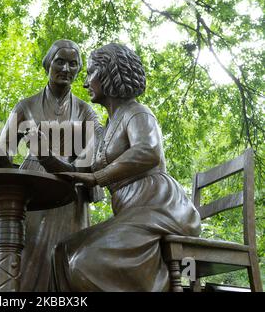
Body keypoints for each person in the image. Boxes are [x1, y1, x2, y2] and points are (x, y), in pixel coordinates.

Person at [51, 43, 201, 291]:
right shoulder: (108, 126)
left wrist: (98, 177)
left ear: (109, 74)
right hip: (132, 211)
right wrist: (47, 157)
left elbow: (148, 151)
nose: (86, 82)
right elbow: (85, 168)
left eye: (90, 73)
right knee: (62, 252)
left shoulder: (137, 112)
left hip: (159, 207)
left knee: (85, 261)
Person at [0, 39, 103, 291]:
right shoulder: (25, 106)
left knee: (64, 259)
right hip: (31, 186)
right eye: (60, 61)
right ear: (48, 64)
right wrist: (0, 157)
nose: (66, 68)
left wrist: (55, 159)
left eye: (73, 64)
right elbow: (5, 151)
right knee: (26, 253)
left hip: (68, 186)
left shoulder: (86, 112)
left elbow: (92, 159)